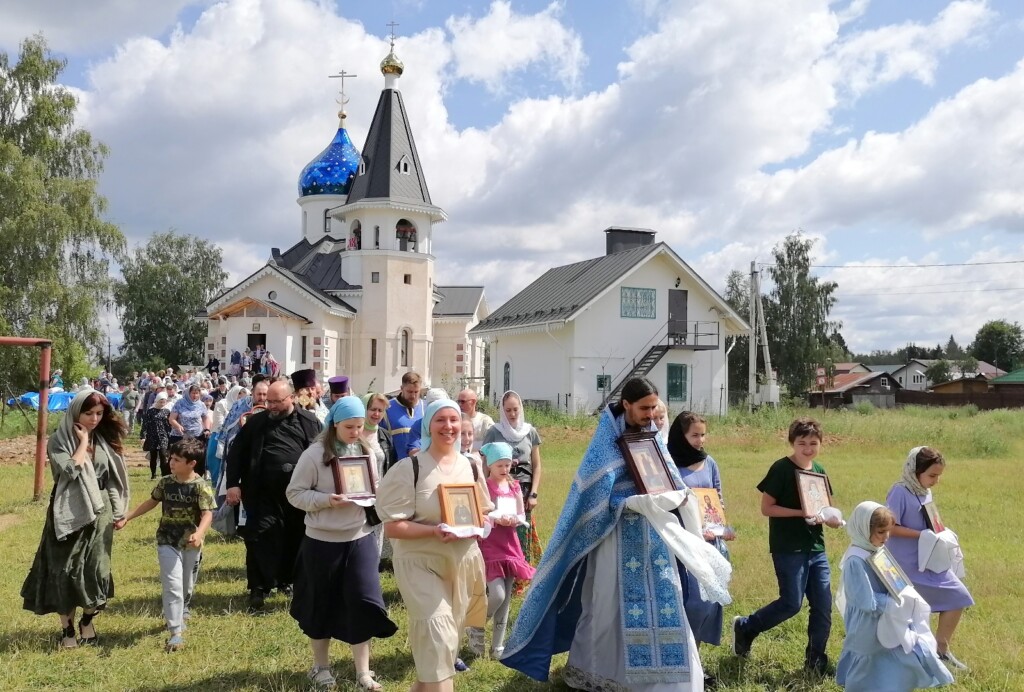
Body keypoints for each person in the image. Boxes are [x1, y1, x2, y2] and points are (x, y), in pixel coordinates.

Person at [501, 377, 731, 690]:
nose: (651, 414)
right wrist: (629, 503)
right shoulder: (604, 446)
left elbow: (669, 478)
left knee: (666, 601)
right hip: (614, 539)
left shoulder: (652, 437)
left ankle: (669, 681)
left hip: (655, 538)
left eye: (654, 408)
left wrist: (680, 498)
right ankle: (602, 674)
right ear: (626, 405)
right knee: (607, 607)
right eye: (644, 408)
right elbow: (592, 497)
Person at [376, 398, 493, 691]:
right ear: (428, 424)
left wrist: (481, 528)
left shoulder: (471, 466)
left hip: (461, 563)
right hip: (420, 565)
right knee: (439, 637)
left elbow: (484, 513)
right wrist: (434, 531)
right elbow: (393, 526)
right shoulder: (409, 469)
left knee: (442, 648)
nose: (448, 427)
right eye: (440, 420)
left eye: (454, 420)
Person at [286, 396, 398, 690]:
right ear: (334, 424)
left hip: (359, 538)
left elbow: (372, 488)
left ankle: (364, 672)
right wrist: (326, 501)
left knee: (363, 602)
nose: (355, 432)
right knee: (320, 603)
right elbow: (294, 494)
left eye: (360, 426)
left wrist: (376, 496)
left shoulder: (366, 452)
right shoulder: (313, 456)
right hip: (322, 542)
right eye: (349, 426)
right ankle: (320, 668)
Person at [732, 417, 842, 674]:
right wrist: (800, 512)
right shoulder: (781, 468)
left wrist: (831, 518)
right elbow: (766, 508)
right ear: (792, 443)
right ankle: (746, 627)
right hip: (787, 546)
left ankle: (815, 661)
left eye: (813, 443)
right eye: (802, 443)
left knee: (823, 606)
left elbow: (824, 506)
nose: (808, 448)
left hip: (816, 548)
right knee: (791, 603)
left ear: (820, 444)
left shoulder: (820, 470)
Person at [21, 389, 130, 648]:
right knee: (64, 571)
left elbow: (113, 478)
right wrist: (82, 443)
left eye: (99, 414)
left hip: (100, 512)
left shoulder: (105, 438)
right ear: (75, 412)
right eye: (89, 413)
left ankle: (87, 620)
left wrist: (119, 511)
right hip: (67, 513)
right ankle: (67, 629)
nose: (94, 419)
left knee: (97, 569)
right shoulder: (59, 440)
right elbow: (69, 470)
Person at [835, 502, 954, 691]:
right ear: (864, 529)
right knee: (866, 661)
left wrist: (904, 597)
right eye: (880, 532)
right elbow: (863, 600)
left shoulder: (875, 550)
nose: (886, 537)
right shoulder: (855, 560)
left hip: (886, 618)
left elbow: (893, 580)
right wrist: (893, 604)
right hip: (866, 622)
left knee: (892, 656)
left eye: (888, 531)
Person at [225, 379, 322, 611]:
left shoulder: (309, 423)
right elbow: (236, 453)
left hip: (298, 495)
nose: (272, 406)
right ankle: (258, 588)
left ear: (291, 398)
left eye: (277, 401)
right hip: (261, 492)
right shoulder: (256, 423)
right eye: (269, 401)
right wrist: (232, 484)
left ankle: (287, 581)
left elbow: (322, 454)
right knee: (259, 537)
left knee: (294, 538)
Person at [116, 438, 215, 652]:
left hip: (191, 543)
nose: (171, 462)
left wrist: (199, 533)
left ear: (191, 464)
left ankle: (184, 609)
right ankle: (175, 632)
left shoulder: (201, 487)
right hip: (166, 540)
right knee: (172, 585)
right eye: (171, 457)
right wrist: (128, 517)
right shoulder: (165, 483)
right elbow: (151, 502)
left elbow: (208, 514)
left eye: (177, 459)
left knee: (186, 584)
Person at [886, 446, 973, 671]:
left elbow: (929, 520)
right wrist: (922, 534)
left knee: (959, 596)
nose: (935, 481)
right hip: (905, 564)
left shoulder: (925, 490)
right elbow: (889, 528)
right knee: (909, 613)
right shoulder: (899, 491)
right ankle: (915, 658)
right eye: (932, 475)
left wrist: (940, 532)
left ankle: (941, 650)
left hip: (929, 560)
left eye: (938, 476)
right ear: (915, 471)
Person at [666, 411, 735, 671]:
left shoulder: (710, 462)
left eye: (703, 434)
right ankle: (683, 662)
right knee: (693, 602)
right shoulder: (669, 464)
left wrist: (719, 524)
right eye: (694, 435)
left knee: (710, 603)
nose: (700, 440)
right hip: (683, 544)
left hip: (711, 544)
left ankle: (695, 661)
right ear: (680, 435)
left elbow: (717, 498)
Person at [473, 441, 535, 660]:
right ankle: (476, 625)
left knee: (506, 597)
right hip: (491, 545)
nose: (505, 469)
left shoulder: (514, 486)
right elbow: (482, 513)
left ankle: (497, 646)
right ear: (490, 465)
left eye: (508, 465)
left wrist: (514, 520)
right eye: (500, 465)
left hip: (510, 545)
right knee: (496, 594)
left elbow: (520, 514)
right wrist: (496, 517)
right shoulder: (484, 488)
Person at [482, 390, 543, 593]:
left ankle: (520, 579)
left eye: (515, 409)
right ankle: (496, 575)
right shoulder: (494, 431)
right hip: (498, 489)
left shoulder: (530, 431)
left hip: (522, 489)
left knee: (521, 532)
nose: (512, 414)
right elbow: (485, 465)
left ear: (521, 408)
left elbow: (537, 465)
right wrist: (483, 490)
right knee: (500, 532)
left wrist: (533, 493)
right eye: (508, 410)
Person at [360, 392, 398, 564]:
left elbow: (392, 465)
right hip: (357, 495)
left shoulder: (384, 435)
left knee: (376, 538)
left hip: (379, 497)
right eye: (372, 409)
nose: (376, 414)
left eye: (380, 411)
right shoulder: (354, 433)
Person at [384, 371, 424, 459]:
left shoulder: (425, 408)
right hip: (395, 465)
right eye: (409, 392)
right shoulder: (387, 408)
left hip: (420, 465)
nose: (413, 396)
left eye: (416, 392)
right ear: (402, 388)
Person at [144, 392, 174, 478]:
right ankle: (153, 474)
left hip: (163, 436)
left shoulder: (167, 411)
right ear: (157, 401)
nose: (162, 404)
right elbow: (145, 424)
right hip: (152, 436)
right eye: (160, 401)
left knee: (163, 455)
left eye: (164, 402)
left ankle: (164, 474)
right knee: (153, 456)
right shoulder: (150, 411)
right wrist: (143, 435)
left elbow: (169, 424)